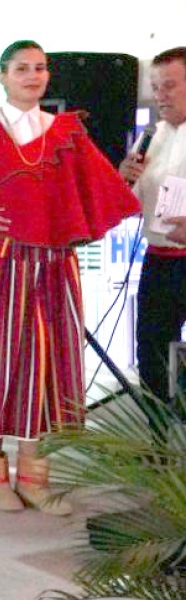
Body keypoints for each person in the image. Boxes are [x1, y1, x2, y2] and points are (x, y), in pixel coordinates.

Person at [0, 40, 139, 514]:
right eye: (22, 68)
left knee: (47, 363)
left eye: (40, 68)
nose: (33, 76)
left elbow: (92, 192)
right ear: (2, 75)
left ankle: (35, 476)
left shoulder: (63, 130)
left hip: (54, 263)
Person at [121, 47, 186, 432]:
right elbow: (128, 204)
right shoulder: (152, 136)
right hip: (160, 259)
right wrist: (122, 176)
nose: (161, 95)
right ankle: (158, 438)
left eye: (171, 85)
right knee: (152, 350)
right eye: (155, 86)